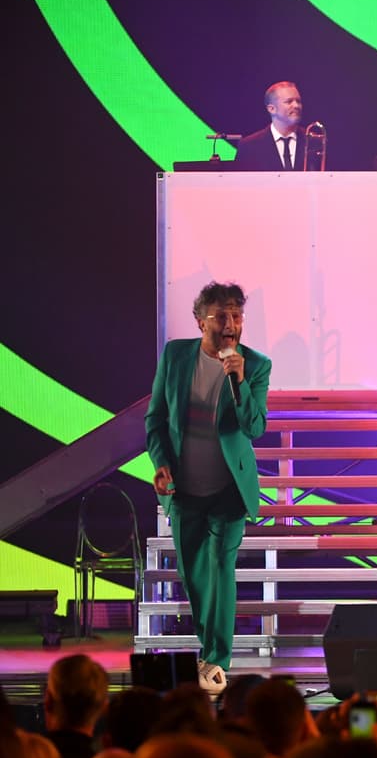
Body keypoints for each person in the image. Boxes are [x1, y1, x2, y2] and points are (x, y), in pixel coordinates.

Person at [145, 282, 271, 695]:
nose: (231, 324)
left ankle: (217, 661)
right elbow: (156, 421)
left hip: (228, 491)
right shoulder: (176, 357)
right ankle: (208, 649)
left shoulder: (254, 365)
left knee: (221, 568)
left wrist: (237, 382)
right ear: (201, 321)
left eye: (237, 315)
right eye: (222, 316)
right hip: (185, 491)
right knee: (194, 577)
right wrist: (161, 464)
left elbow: (254, 427)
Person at [235, 81, 308, 171]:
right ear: (272, 109)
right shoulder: (249, 146)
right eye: (289, 102)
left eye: (298, 101)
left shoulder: (315, 141)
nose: (296, 105)